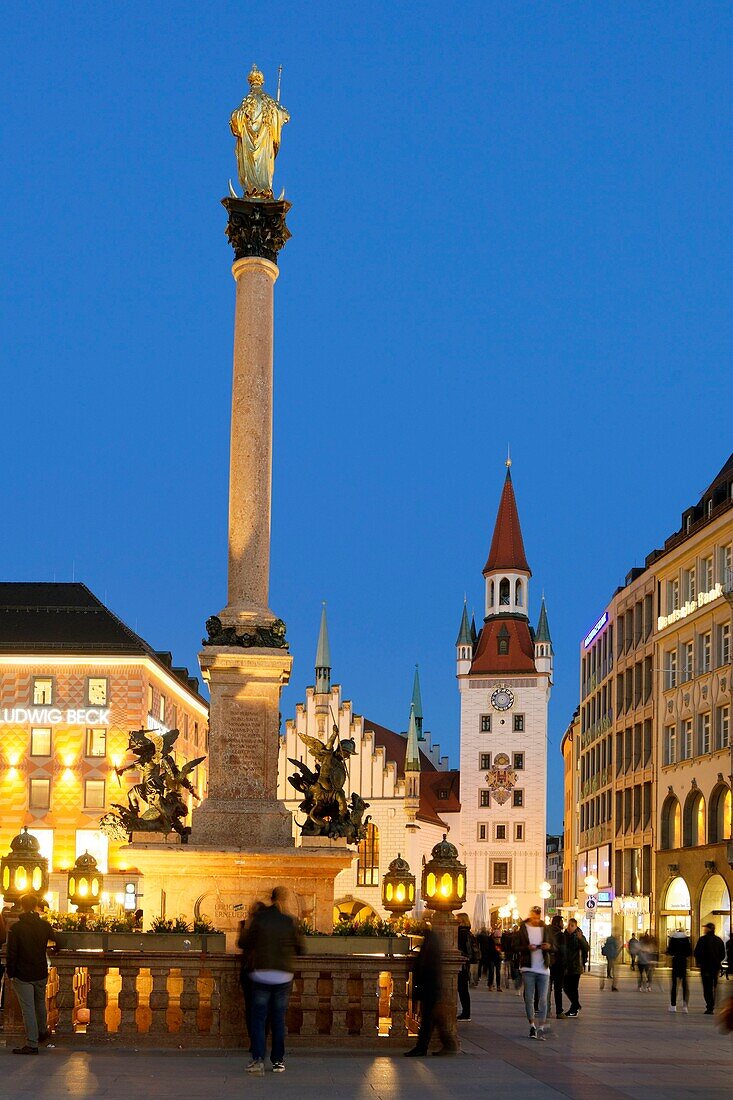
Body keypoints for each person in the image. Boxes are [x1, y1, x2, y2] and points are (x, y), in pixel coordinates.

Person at [240, 887, 304, 1074]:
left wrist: (248, 924)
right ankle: (278, 1061)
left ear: (272, 898)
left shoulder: (260, 919)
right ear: (283, 900)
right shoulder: (289, 921)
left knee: (258, 1018)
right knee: (278, 1019)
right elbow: (301, 948)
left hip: (261, 974)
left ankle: (258, 1059)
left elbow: (244, 943)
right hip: (283, 975)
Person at [6, 893, 64, 1054]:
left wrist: (10, 973)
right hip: (40, 970)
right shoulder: (44, 925)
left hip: (22, 973)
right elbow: (57, 942)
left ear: (22, 906)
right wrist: (51, 950)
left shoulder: (16, 928)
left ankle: (32, 1043)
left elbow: (12, 953)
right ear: (37, 905)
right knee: (40, 1004)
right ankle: (42, 1032)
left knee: (28, 1008)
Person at [405, 926, 458, 1056]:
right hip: (431, 987)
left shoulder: (431, 942)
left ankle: (425, 1047)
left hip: (430, 987)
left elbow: (427, 966)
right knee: (432, 1020)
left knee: (429, 1020)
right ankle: (445, 1045)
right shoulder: (432, 941)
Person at [516, 905, 554, 1040]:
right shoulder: (523, 928)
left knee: (544, 999)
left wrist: (549, 947)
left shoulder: (545, 928)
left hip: (543, 968)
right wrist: (527, 948)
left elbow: (554, 946)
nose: (536, 918)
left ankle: (542, 1027)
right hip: (528, 968)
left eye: (538, 915)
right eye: (534, 915)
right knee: (529, 998)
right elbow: (515, 946)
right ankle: (532, 1025)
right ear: (530, 914)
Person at [237, 901, 266, 1051]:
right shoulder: (246, 925)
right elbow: (241, 943)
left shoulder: (264, 928)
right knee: (255, 1008)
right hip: (253, 971)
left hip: (257, 970)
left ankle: (258, 1040)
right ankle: (256, 1041)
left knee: (257, 1008)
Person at [694, 922, 725, 1014]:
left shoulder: (703, 940)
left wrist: (699, 962)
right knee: (714, 985)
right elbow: (722, 954)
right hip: (715, 967)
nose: (704, 929)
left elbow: (696, 952)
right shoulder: (719, 940)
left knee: (707, 986)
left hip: (705, 967)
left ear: (709, 929)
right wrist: (717, 961)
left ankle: (709, 1006)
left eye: (706, 928)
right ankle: (713, 1004)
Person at [562, 918, 589, 1017]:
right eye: (569, 925)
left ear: (576, 926)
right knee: (565, 987)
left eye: (572, 925)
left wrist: (580, 938)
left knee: (573, 988)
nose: (569, 927)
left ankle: (574, 1008)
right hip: (565, 966)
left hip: (576, 966)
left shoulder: (580, 937)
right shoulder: (563, 936)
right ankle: (576, 1005)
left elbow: (586, 948)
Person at [666, 926, 692, 1013]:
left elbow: (669, 951)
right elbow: (689, 952)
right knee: (684, 985)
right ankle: (685, 1006)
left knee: (674, 985)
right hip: (683, 962)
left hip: (675, 962)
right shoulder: (686, 939)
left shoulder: (673, 939)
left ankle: (673, 1005)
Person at [549, 914, 566, 1018]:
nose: (563, 924)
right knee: (558, 989)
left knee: (547, 988)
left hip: (547, 963)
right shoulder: (560, 935)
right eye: (561, 922)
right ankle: (559, 1011)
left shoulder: (546, 933)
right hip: (558, 964)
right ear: (557, 923)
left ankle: (546, 1009)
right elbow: (563, 951)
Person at [456, 914, 473, 1020]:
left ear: (461, 920)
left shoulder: (460, 933)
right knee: (463, 989)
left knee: (462, 989)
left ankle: (466, 1013)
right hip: (465, 963)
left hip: (461, 963)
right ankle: (466, 1012)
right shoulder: (468, 932)